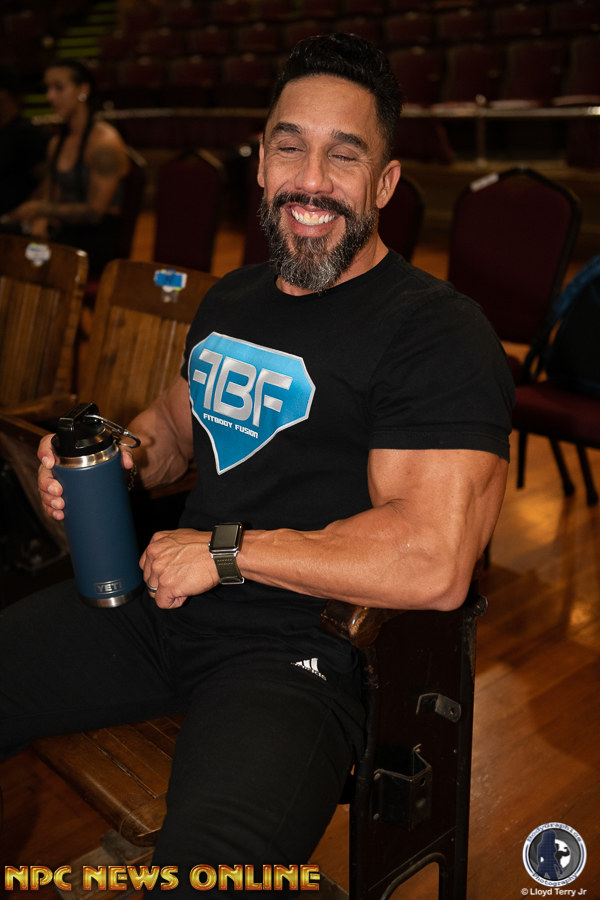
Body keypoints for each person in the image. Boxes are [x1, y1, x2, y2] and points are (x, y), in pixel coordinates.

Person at [0, 34, 514, 895]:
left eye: (343, 155)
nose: (311, 180)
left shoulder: (435, 332)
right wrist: (117, 458)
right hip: (162, 602)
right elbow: (173, 428)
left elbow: (433, 560)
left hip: (298, 655)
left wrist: (226, 552)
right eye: (290, 147)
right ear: (263, 165)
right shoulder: (232, 298)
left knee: (206, 873)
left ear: (385, 183)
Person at [3, 58, 130, 276]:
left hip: (94, 242)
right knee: (10, 242)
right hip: (64, 234)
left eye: (59, 88)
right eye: (48, 88)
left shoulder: (104, 142)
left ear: (83, 90)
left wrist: (40, 210)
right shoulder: (57, 142)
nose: (50, 96)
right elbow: (52, 194)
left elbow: (95, 213)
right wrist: (41, 218)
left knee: (22, 257)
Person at [0, 65, 48, 218]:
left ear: (5, 94)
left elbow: (48, 182)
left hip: (15, 222)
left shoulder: (28, 133)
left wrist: (18, 214)